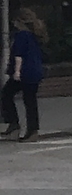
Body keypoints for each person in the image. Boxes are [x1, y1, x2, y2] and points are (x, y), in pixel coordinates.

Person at [3, 8, 43, 140]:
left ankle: (13, 125)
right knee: (30, 101)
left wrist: (16, 71)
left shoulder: (22, 35)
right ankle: (33, 130)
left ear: (19, 21)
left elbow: (19, 55)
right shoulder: (35, 35)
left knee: (6, 94)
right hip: (35, 72)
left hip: (24, 72)